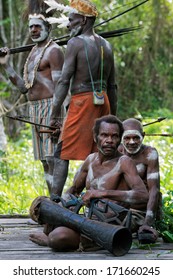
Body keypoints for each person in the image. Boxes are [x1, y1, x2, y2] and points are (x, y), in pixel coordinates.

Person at [29, 115, 149, 251]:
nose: (109, 140)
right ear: (95, 137)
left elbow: (143, 195)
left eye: (114, 136)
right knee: (49, 214)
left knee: (58, 237)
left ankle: (52, 240)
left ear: (119, 139)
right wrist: (59, 209)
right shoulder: (90, 160)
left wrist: (103, 193)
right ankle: (54, 235)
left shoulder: (124, 162)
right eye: (104, 135)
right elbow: (73, 190)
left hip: (110, 225)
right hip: (85, 221)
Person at [46, 0, 118, 198]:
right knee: (99, 153)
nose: (68, 24)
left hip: (82, 103)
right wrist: (113, 119)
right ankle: (98, 202)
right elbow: (112, 86)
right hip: (103, 102)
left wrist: (54, 114)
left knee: (61, 153)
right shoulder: (107, 46)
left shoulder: (75, 43)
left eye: (72, 20)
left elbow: (63, 81)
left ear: (84, 20)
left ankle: (54, 203)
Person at [0, 0, 67, 194]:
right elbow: (24, 88)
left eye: (38, 26)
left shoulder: (54, 51)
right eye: (31, 27)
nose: (34, 30)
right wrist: (6, 65)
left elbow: (60, 87)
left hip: (51, 108)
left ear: (48, 27)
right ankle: (54, 202)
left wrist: (57, 116)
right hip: (35, 109)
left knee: (54, 157)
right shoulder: (33, 52)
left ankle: (57, 203)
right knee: (45, 160)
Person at [118, 118, 160, 243]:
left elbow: (154, 189)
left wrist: (148, 222)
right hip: (118, 209)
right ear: (121, 137)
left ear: (143, 136)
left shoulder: (149, 154)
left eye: (136, 138)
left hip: (139, 211)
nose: (131, 142)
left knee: (118, 230)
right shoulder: (116, 152)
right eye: (127, 138)